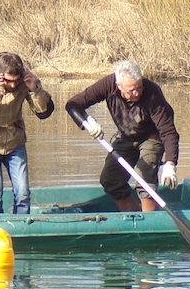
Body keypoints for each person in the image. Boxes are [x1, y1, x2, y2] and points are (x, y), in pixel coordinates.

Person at [65, 59, 179, 212]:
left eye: (139, 87)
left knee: (145, 180)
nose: (136, 93)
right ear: (118, 85)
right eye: (131, 90)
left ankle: (150, 220)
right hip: (126, 136)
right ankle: (133, 216)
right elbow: (73, 104)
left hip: (151, 136)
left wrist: (170, 164)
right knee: (110, 180)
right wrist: (87, 121)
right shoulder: (108, 85)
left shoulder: (152, 93)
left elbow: (168, 131)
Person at [0, 52, 54, 214]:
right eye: (8, 81)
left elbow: (44, 113)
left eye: (16, 81)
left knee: (23, 193)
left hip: (15, 142)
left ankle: (21, 225)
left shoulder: (26, 80)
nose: (13, 85)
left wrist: (35, 90)